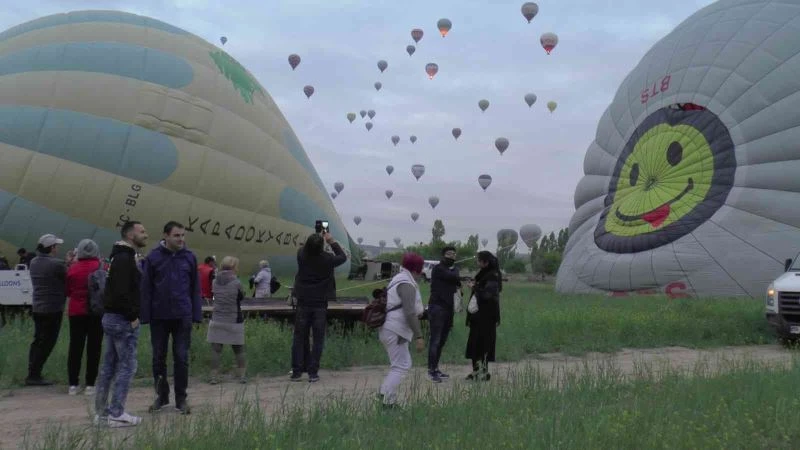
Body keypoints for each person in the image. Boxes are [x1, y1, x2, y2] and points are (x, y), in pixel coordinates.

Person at [141, 221, 202, 415]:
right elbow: (146, 288)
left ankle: (181, 398)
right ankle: (162, 395)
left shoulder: (190, 258)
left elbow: (195, 288)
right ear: (166, 236)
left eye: (183, 235)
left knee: (181, 358)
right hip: (159, 316)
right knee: (158, 358)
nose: (181, 239)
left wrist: (196, 314)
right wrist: (145, 315)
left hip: (182, 315)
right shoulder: (153, 258)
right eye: (177, 235)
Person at [94, 221, 148, 427]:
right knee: (127, 366)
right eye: (141, 231)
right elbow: (121, 291)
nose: (145, 234)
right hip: (122, 319)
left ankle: (101, 413)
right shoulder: (125, 259)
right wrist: (133, 315)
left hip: (110, 317)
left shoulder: (116, 256)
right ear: (129, 235)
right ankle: (116, 412)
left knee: (108, 366)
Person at [290, 231, 348, 382]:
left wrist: (312, 239)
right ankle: (313, 373)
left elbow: (304, 248)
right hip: (320, 303)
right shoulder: (328, 259)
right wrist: (331, 241)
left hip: (303, 301)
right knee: (317, 339)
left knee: (299, 337)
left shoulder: (301, 255)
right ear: (322, 246)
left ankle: (296, 371)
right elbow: (343, 257)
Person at [378, 253, 426, 408]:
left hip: (390, 327)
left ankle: (384, 394)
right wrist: (419, 336)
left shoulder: (397, 279)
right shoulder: (406, 284)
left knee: (398, 364)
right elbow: (410, 312)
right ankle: (388, 402)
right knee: (402, 365)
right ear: (416, 270)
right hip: (396, 329)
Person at [26, 234, 67, 386]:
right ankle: (34, 375)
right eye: (56, 246)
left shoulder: (34, 262)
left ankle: (32, 371)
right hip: (53, 308)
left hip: (38, 307)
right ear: (52, 248)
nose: (58, 248)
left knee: (38, 340)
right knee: (48, 342)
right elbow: (67, 277)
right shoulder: (57, 264)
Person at [65, 239, 104, 396]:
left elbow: (67, 291)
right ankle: (90, 384)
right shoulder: (101, 267)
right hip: (96, 313)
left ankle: (73, 384)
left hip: (76, 312)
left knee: (75, 347)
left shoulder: (72, 269)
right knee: (94, 348)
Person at [207, 256, 247, 385]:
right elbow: (241, 296)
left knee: (216, 350)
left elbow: (213, 295)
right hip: (234, 319)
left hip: (217, 318)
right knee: (239, 350)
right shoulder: (236, 282)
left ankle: (214, 377)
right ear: (234, 267)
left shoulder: (214, 281)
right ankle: (241, 376)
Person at [464, 251, 502, 381]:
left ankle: (483, 373)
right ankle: (478, 372)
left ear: (485, 262)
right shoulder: (484, 274)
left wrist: (474, 287)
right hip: (480, 317)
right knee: (477, 345)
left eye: (479, 260)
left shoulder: (492, 276)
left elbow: (488, 295)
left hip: (486, 317)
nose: (477, 262)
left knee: (482, 345)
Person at [426, 246, 461, 383]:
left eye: (454, 254)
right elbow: (453, 277)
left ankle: (436, 368)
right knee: (435, 340)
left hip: (448, 308)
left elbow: (456, 279)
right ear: (443, 255)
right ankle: (430, 371)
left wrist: (455, 272)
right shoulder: (438, 269)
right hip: (437, 307)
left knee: (442, 341)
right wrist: (455, 271)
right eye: (448, 254)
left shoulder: (453, 269)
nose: (452, 256)